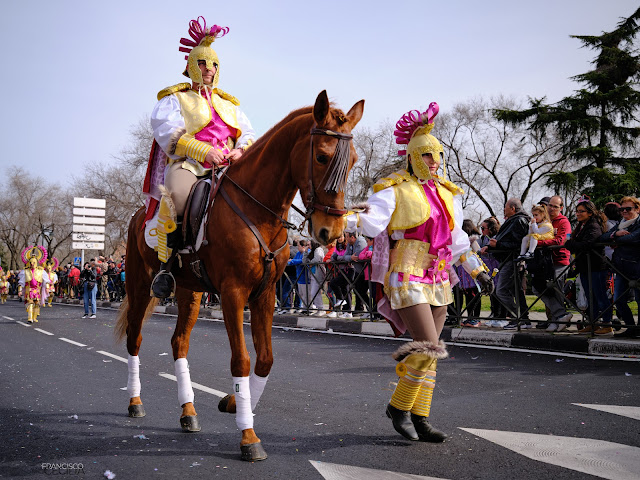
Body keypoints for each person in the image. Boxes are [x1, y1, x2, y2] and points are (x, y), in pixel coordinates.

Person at [344, 103, 493, 442]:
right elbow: (369, 221)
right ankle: (399, 408)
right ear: (412, 156)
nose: (434, 161)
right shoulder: (394, 187)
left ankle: (420, 416)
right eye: (427, 155)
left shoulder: (449, 194)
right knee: (428, 346)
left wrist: (477, 269)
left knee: (432, 349)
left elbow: (458, 241)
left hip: (439, 276)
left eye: (437, 155)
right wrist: (338, 219)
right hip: (406, 272)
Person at [146, 17, 256, 298]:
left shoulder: (230, 104)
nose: (210, 69)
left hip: (229, 166)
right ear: (191, 66)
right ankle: (166, 267)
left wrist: (240, 149)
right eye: (204, 63)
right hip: (190, 165)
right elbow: (167, 133)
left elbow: (248, 134)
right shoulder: (174, 99)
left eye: (215, 64)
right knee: (177, 195)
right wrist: (204, 150)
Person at [481, 198, 531, 329]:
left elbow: (519, 244)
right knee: (516, 291)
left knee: (501, 290)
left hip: (511, 260)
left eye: (506, 207)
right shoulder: (512, 220)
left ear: (513, 208)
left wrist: (498, 244)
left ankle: (518, 317)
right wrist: (490, 247)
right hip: (507, 260)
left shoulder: (519, 221)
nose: (504, 209)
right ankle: (523, 319)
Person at [565, 198, 612, 335]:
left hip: (596, 266)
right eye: (577, 211)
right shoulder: (581, 225)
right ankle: (593, 324)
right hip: (585, 266)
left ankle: (607, 325)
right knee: (590, 297)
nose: (578, 214)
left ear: (590, 213)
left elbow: (587, 244)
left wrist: (569, 244)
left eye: (581, 211)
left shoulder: (593, 226)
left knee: (600, 296)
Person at [599, 196, 640, 338]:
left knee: (639, 300)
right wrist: (616, 233)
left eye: (628, 209)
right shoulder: (621, 224)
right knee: (618, 299)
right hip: (621, 267)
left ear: (637, 209)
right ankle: (630, 327)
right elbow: (603, 237)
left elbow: (633, 237)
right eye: (622, 209)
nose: (624, 212)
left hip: (637, 266)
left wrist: (616, 238)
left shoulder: (638, 223)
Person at [535, 195, 573, 332]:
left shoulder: (564, 222)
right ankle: (560, 316)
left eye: (555, 206)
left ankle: (557, 319)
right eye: (550, 205)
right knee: (538, 288)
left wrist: (538, 243)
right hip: (544, 262)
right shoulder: (544, 221)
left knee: (555, 289)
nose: (551, 208)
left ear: (561, 208)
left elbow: (561, 241)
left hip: (559, 260)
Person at [479, 217, 505, 325]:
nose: (482, 230)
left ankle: (500, 316)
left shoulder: (495, 237)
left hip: (495, 265)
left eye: (483, 228)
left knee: (498, 290)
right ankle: (494, 313)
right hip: (488, 266)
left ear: (490, 228)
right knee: (491, 290)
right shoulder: (484, 238)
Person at [20, 246, 49, 323]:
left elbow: (46, 281)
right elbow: (21, 282)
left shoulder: (41, 271)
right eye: (31, 262)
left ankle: (34, 317)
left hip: (37, 290)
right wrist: (20, 290)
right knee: (30, 303)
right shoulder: (25, 271)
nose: (32, 264)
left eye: (34, 262)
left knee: (36, 304)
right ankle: (30, 318)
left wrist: (47, 288)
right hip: (29, 290)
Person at [302, 241, 326, 314]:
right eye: (307, 245)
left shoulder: (318, 250)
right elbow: (304, 261)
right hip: (312, 274)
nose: (308, 246)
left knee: (314, 292)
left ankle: (321, 308)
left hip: (318, 274)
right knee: (314, 292)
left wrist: (310, 263)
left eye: (309, 244)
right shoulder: (312, 251)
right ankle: (320, 309)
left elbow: (317, 259)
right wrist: (305, 252)